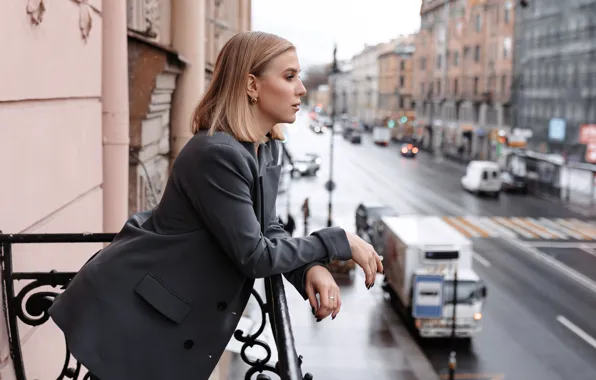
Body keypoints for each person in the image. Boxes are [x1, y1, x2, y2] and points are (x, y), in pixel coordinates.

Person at [48, 31, 383, 380]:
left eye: (298, 76)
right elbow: (254, 255)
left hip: (172, 321)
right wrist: (337, 240)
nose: (301, 88)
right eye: (289, 77)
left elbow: (267, 228)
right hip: (136, 315)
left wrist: (307, 269)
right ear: (252, 86)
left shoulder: (266, 148)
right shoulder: (216, 154)